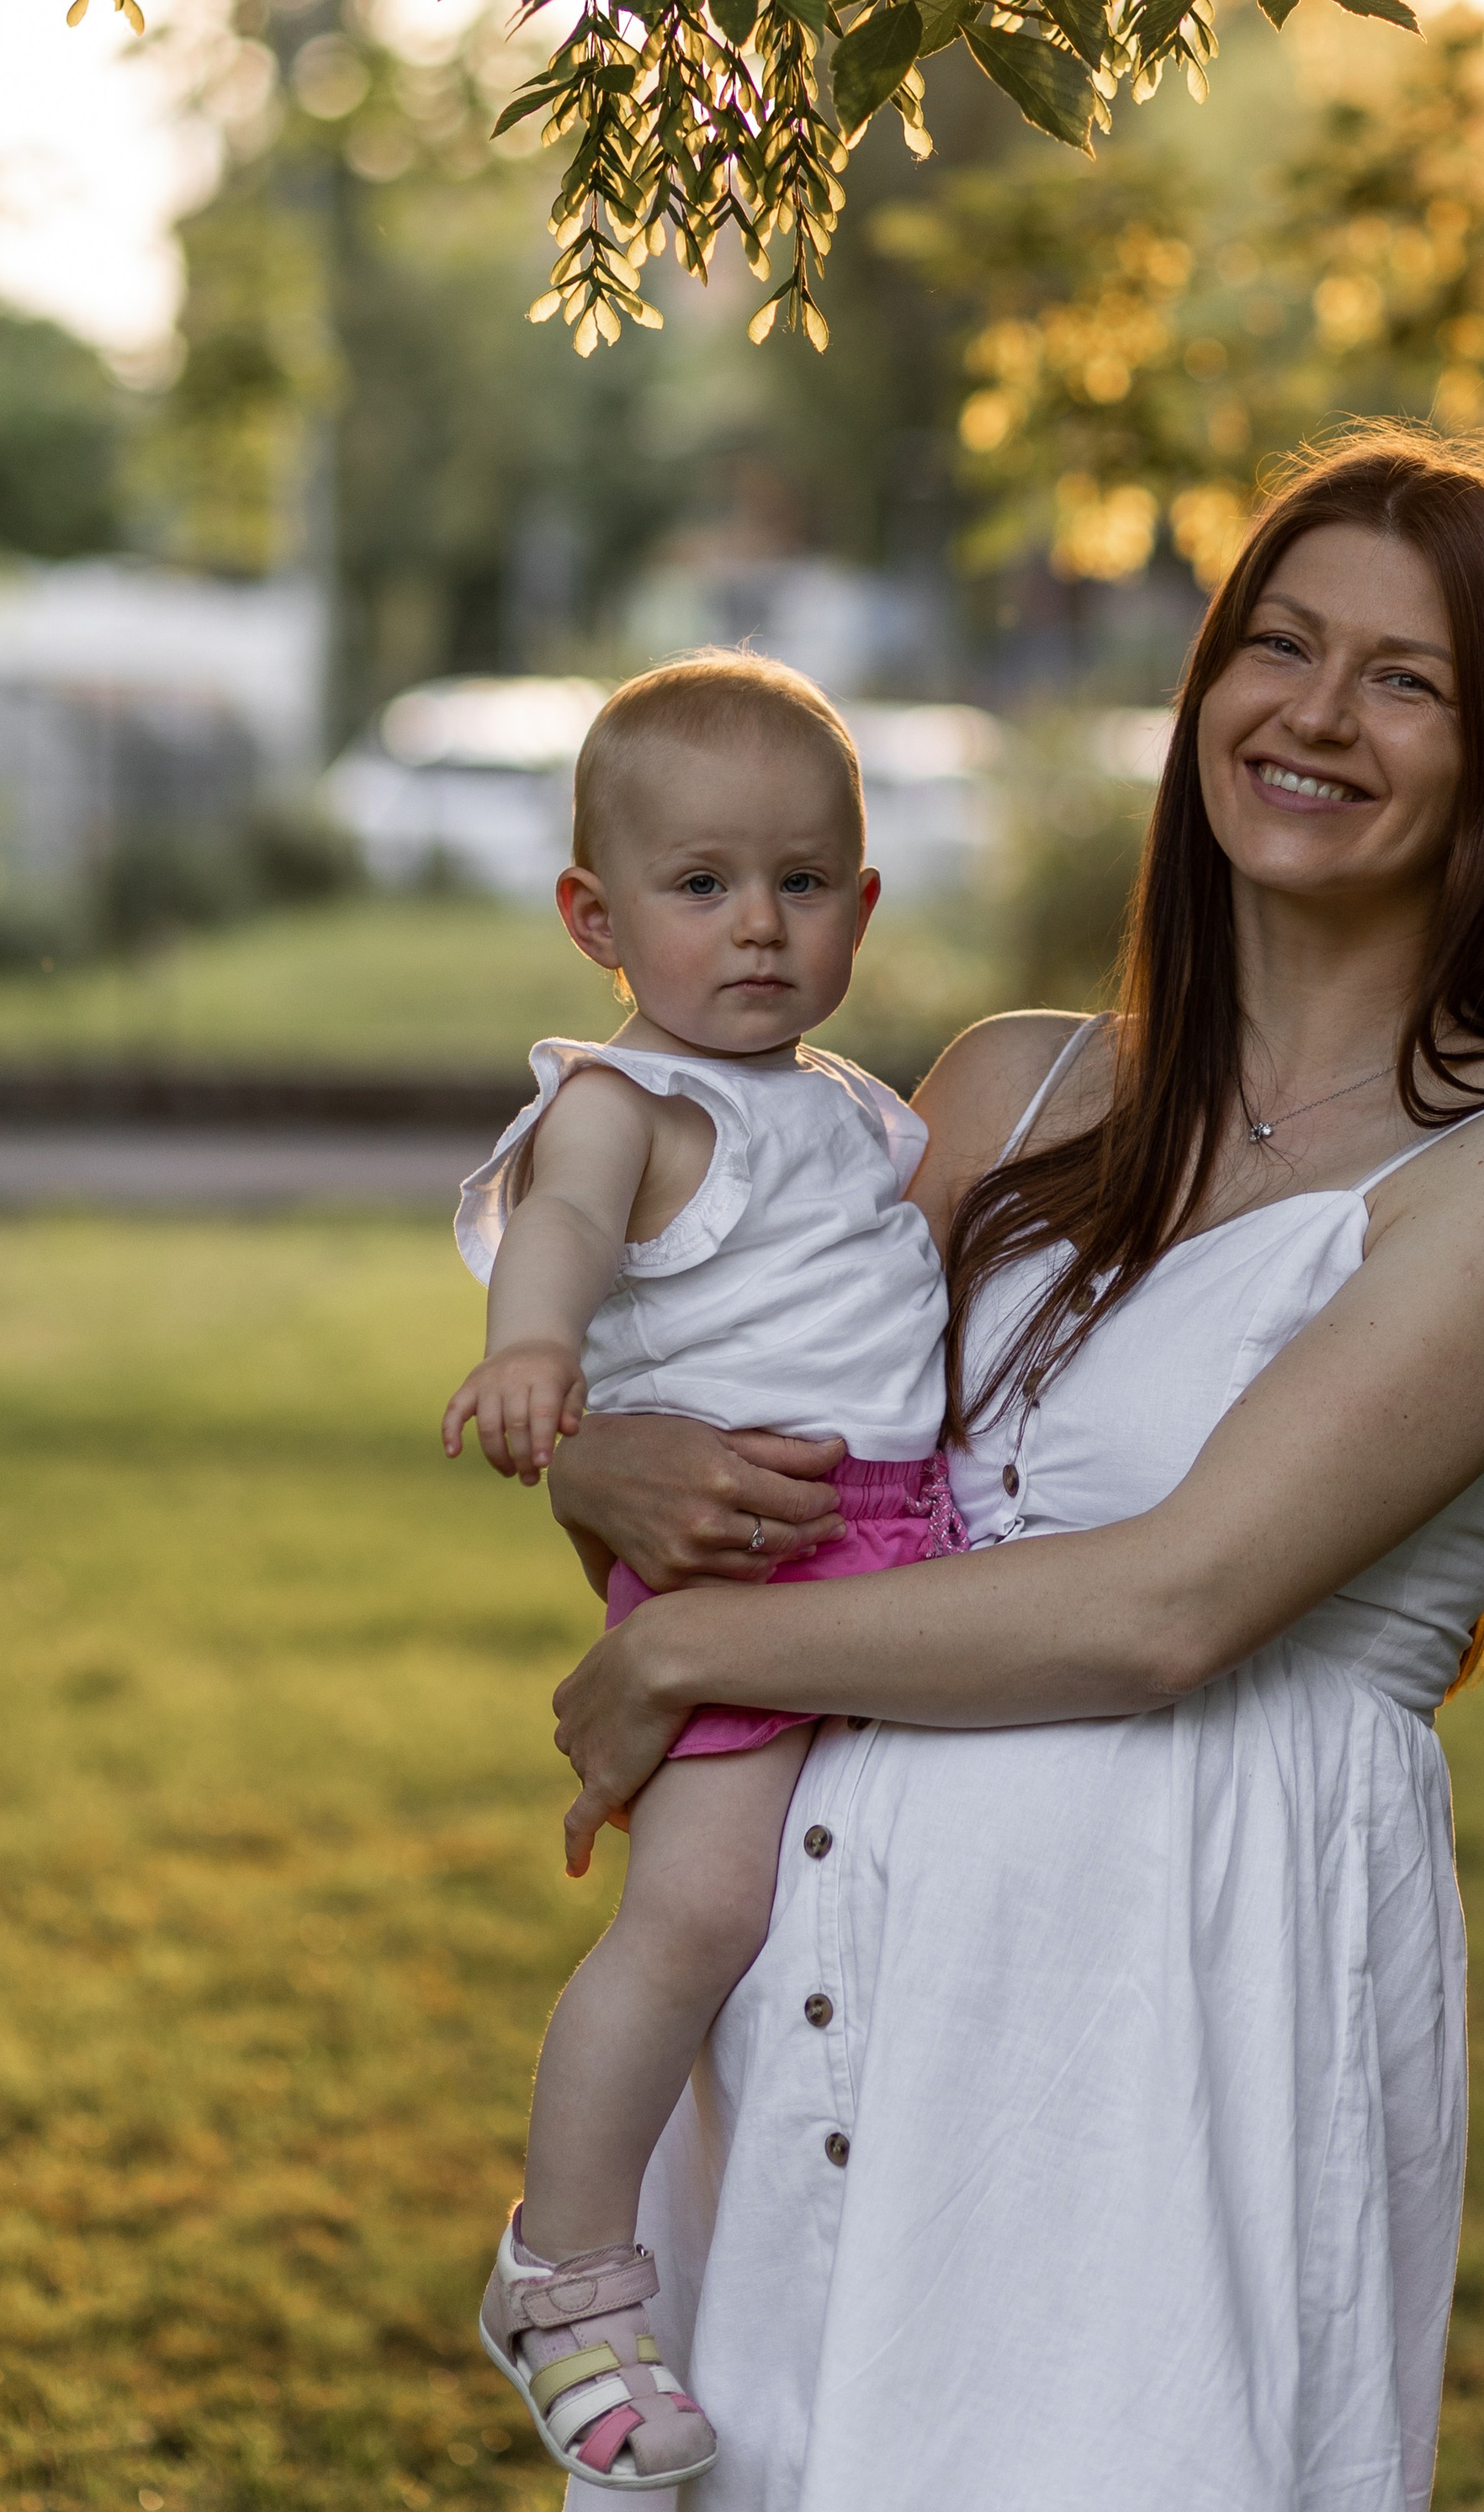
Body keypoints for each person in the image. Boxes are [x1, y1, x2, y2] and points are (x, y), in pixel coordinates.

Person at [538, 428, 1484, 2512]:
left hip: (1164, 2021)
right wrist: (605, 1469)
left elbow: (1166, 1607)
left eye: (1404, 679)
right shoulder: (1003, 1091)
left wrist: (679, 1653)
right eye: (1277, 645)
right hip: (826, 1990)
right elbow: (783, 1470)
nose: (1314, 713)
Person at [443, 653, 964, 2492]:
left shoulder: (853, 1106)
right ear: (595, 919)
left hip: (904, 1558)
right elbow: (567, 1226)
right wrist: (536, 1353)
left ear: (862, 908)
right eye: (702, 884)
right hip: (748, 1574)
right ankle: (567, 2283)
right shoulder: (627, 1103)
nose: (759, 925)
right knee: (696, 1917)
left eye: (802, 883)